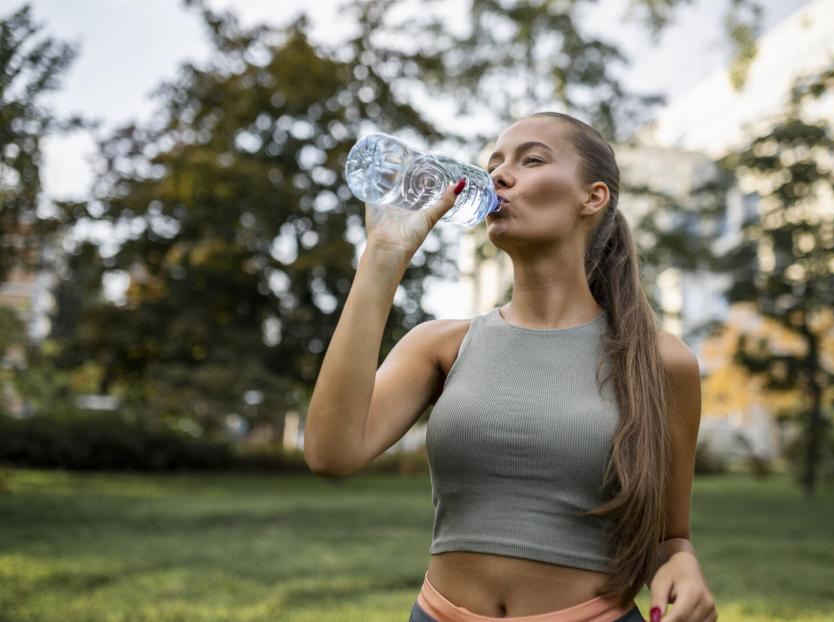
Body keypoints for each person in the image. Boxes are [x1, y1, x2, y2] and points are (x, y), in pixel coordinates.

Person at [305, 111, 717, 622]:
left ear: (593, 197)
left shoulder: (659, 361)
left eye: (532, 159)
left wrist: (681, 564)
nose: (499, 174)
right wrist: (383, 255)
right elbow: (331, 453)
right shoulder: (440, 345)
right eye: (494, 162)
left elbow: (669, 537)